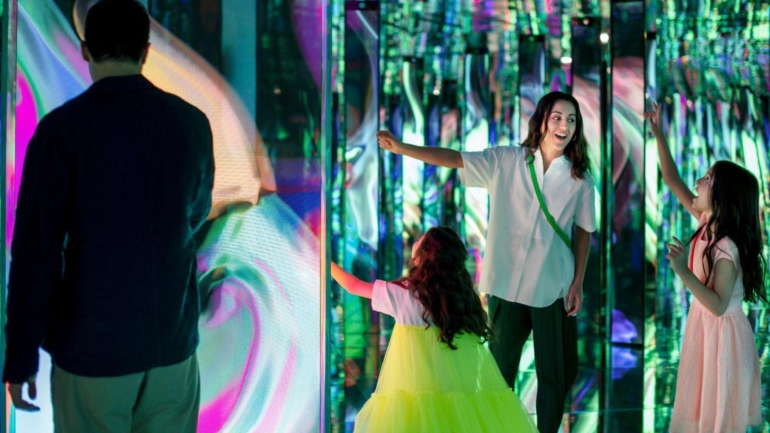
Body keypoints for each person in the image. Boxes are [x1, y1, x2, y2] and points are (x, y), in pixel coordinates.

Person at [3, 0, 214, 431]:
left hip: (93, 349)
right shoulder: (191, 123)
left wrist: (21, 356)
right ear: (146, 51)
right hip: (172, 346)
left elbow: (36, 254)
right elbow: (195, 215)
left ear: (86, 49)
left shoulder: (62, 131)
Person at [377, 91, 595, 433]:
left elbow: (584, 231)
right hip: (506, 284)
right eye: (557, 117)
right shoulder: (507, 160)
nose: (564, 126)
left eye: (571, 120)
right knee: (498, 373)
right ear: (541, 121)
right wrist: (403, 148)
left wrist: (578, 280)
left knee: (553, 376)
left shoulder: (579, 180)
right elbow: (455, 158)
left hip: (552, 286)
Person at [331, 226, 538, 432]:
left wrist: (325, 261)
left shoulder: (404, 295)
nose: (415, 242)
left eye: (421, 240)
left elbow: (352, 285)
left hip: (412, 403)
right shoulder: (464, 304)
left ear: (424, 256)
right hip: (457, 406)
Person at [646, 102, 764, 432]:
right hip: (704, 331)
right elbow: (671, 179)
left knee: (718, 418)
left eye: (707, 178)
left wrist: (682, 270)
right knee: (701, 414)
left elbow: (718, 305)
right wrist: (659, 134)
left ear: (722, 196)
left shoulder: (726, 248)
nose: (698, 181)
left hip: (723, 339)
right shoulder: (705, 220)